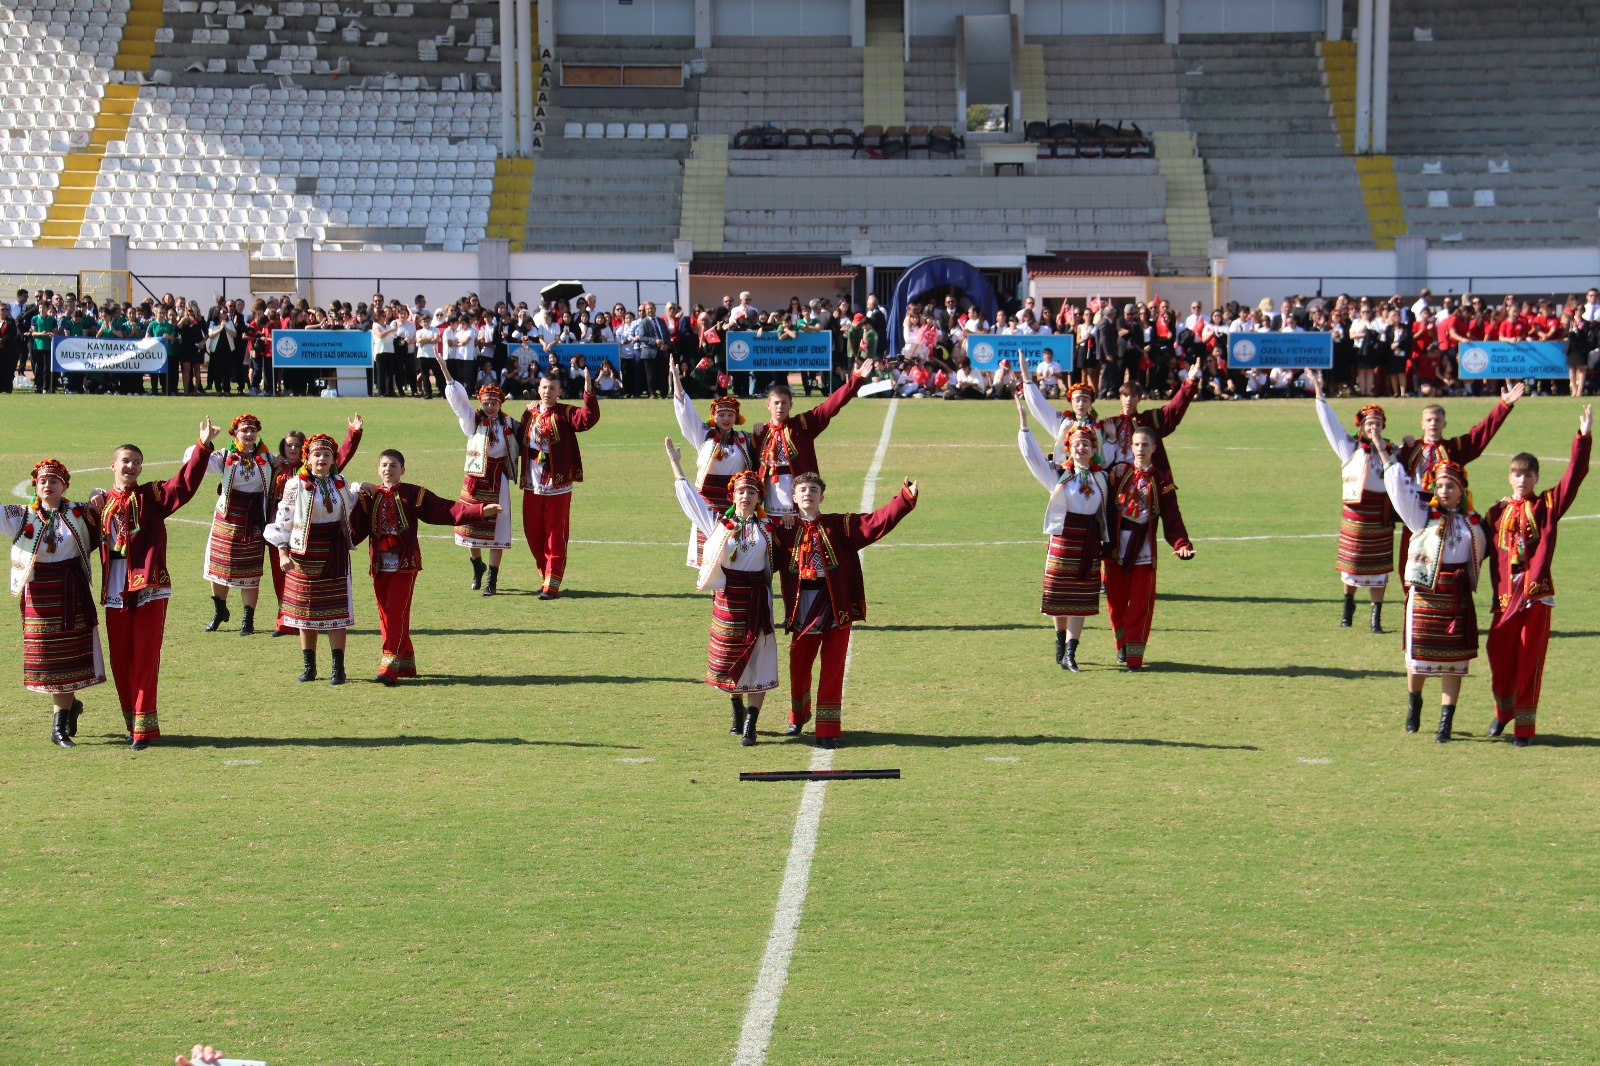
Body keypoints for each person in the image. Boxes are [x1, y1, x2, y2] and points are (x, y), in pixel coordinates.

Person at [83, 421, 218, 749]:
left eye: (136, 462)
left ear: (142, 468)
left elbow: (184, 485)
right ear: (112, 465)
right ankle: (132, 723)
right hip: (114, 590)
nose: (130, 466)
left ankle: (144, 731)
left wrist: (201, 447)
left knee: (145, 656)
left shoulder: (153, 495)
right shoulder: (97, 507)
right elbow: (70, 538)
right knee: (120, 660)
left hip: (149, 587)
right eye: (125, 461)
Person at [769, 470, 919, 747]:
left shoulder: (839, 525)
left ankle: (827, 729)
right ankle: (798, 714)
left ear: (822, 497)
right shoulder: (783, 530)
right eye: (803, 490)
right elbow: (760, 558)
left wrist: (904, 499)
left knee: (833, 668)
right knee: (798, 664)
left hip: (836, 605)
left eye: (813, 490)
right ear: (793, 496)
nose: (808, 494)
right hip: (803, 608)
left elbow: (875, 522)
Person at [1481, 405, 1592, 746]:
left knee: (1529, 661)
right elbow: (1472, 546)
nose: (1522, 479)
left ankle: (1524, 729)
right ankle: (1503, 711)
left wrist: (1583, 438)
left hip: (1535, 596)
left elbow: (1574, 477)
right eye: (1517, 474)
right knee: (1499, 660)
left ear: (1536, 479)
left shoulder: (1546, 506)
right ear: (1509, 477)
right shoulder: (1495, 513)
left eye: (1528, 475)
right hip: (1503, 600)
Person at [351, 449, 501, 685]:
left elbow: (445, 509)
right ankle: (407, 662)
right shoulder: (369, 496)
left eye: (393, 465)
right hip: (379, 566)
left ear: (403, 470)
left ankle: (389, 666)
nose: (388, 469)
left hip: (404, 565)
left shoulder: (413, 494)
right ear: (377, 469)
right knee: (386, 614)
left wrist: (480, 510)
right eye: (384, 465)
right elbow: (352, 528)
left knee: (397, 614)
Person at [665, 447, 776, 744]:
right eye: (741, 491)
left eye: (752, 492)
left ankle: (751, 723)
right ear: (733, 496)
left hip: (758, 603)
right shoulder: (717, 524)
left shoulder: (768, 528)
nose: (746, 497)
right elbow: (691, 501)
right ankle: (737, 710)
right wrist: (676, 465)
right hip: (728, 602)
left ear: (758, 498)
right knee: (729, 662)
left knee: (759, 662)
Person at [1375, 444, 1486, 742]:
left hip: (1457, 597)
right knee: (1418, 658)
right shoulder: (1421, 517)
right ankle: (1415, 702)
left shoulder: (1473, 524)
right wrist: (1389, 460)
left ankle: (1445, 723)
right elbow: (1399, 491)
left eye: (1450, 486)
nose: (1445, 490)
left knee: (1454, 662)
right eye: (1439, 485)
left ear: (1461, 490)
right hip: (1425, 595)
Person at [3, 458, 104, 747]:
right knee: (48, 659)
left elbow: (105, 510)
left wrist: (98, 495)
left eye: (54, 481)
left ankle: (58, 728)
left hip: (72, 593)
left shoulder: (79, 512)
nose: (48, 485)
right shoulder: (22, 515)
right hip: (39, 595)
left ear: (65, 486)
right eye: (43, 481)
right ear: (35, 484)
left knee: (68, 658)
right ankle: (69, 709)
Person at [1015, 395, 1111, 672]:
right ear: (1068, 448)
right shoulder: (1059, 475)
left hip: (1088, 543)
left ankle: (1071, 653)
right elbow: (1032, 459)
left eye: (1086, 443)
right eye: (1076, 443)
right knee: (1058, 598)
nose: (1081, 447)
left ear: (1094, 448)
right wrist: (1024, 427)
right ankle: (1060, 641)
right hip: (1063, 540)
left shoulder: (1101, 478)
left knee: (1080, 600)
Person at [265, 433, 360, 685]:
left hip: (334, 553)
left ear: (332, 460)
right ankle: (309, 667)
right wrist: (283, 551)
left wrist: (363, 488)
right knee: (305, 613)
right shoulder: (295, 484)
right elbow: (283, 520)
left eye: (326, 455)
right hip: (303, 553)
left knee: (336, 612)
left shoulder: (340, 483)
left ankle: (338, 669)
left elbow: (351, 502)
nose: (321, 459)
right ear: (307, 457)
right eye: (317, 454)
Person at [1103, 426, 1195, 671]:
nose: (1140, 449)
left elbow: (1172, 518)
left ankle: (1134, 658)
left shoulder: (1162, 481)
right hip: (1116, 550)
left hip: (1144, 550)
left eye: (1145, 445)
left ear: (1154, 448)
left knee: (1141, 605)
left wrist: (1182, 544)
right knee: (1115, 601)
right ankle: (1121, 643)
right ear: (1130, 447)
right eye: (1136, 444)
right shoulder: (1118, 473)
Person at [1310, 372, 1396, 633]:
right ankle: (1348, 604)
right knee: (1352, 564)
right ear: (1361, 427)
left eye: (1378, 423)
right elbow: (1330, 425)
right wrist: (1318, 392)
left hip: (1381, 513)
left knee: (1379, 568)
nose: (1374, 428)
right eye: (1370, 424)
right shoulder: (1350, 447)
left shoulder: (1392, 452)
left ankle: (1376, 618)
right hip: (1356, 514)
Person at [749, 358, 875, 520]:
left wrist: (856, 381)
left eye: (784, 403)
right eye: (776, 403)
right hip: (770, 501)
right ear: (768, 405)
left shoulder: (802, 425)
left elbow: (831, 406)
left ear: (791, 405)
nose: (780, 407)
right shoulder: (760, 433)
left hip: (801, 498)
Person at [436, 353, 518, 595]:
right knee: (470, 527)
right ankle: (477, 567)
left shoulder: (510, 424)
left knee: (498, 530)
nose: (490, 407)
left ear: (501, 403)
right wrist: (446, 372)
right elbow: (459, 403)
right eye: (486, 403)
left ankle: (492, 580)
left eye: (494, 403)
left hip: (497, 479)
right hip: (475, 480)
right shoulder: (473, 420)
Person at [515, 368, 600, 599]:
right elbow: (517, 436)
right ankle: (545, 576)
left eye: (552, 388)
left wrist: (589, 392)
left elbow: (587, 419)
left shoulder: (565, 412)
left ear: (560, 391)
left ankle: (552, 583)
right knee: (533, 533)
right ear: (538, 389)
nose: (547, 392)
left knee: (555, 533)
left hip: (557, 485)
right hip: (532, 482)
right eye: (544, 387)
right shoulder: (530, 413)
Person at [670, 359, 755, 567]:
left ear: (736, 417)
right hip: (707, 504)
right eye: (721, 415)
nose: (726, 419)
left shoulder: (745, 439)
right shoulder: (705, 436)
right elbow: (685, 412)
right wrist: (676, 379)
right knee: (710, 556)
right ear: (714, 417)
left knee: (731, 554)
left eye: (730, 415)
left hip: (734, 503)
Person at [1099, 360, 1202, 473]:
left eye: (1133, 396)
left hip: (1143, 474)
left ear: (1139, 398)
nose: (1128, 399)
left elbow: (1173, 409)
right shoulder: (1110, 423)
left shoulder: (1149, 419)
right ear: (1120, 397)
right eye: (1125, 395)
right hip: (1116, 477)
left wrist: (1189, 382)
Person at [1023, 377, 1114, 466]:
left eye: (1085, 401)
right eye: (1077, 401)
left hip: (1091, 473)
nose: (1080, 404)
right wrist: (1026, 378)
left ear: (1091, 403)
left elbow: (1104, 458)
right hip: (1066, 470)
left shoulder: (1099, 425)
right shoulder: (1062, 421)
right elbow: (1040, 406)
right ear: (1071, 402)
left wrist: (1112, 437)